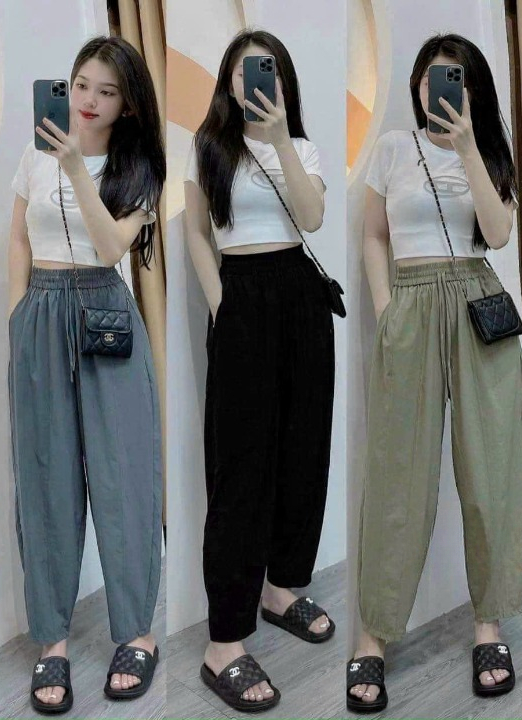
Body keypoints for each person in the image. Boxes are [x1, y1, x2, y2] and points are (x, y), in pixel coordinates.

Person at [347, 32, 522, 712]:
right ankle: (372, 636)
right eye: (429, 77)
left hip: (480, 300)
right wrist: (387, 309)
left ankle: (489, 627)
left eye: (453, 78)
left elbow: (499, 234)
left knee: (490, 473)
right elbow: (373, 235)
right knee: (399, 475)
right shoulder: (393, 147)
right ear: (416, 84)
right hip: (413, 302)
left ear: (472, 89)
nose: (436, 89)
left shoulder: (490, 151)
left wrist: (470, 147)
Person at [8, 36, 165, 714]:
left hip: (105, 311)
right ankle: (53, 640)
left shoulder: (141, 171)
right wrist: (17, 317)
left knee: (124, 475)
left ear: (127, 104)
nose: (88, 101)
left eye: (106, 90)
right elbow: (18, 238)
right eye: (80, 86)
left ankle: (137, 632)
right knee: (45, 476)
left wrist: (76, 169)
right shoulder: (31, 157)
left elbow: (109, 249)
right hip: (42, 312)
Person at [183, 28, 336, 713]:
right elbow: (195, 229)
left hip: (300, 294)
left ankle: (281, 589)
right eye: (244, 72)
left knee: (302, 452)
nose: (254, 82)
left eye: (266, 71)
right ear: (228, 82)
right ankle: (224, 643)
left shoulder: (300, 146)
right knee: (240, 468)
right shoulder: (207, 146)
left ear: (284, 81)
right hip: (241, 294)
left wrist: (278, 140)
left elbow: (313, 216)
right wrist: (221, 302)